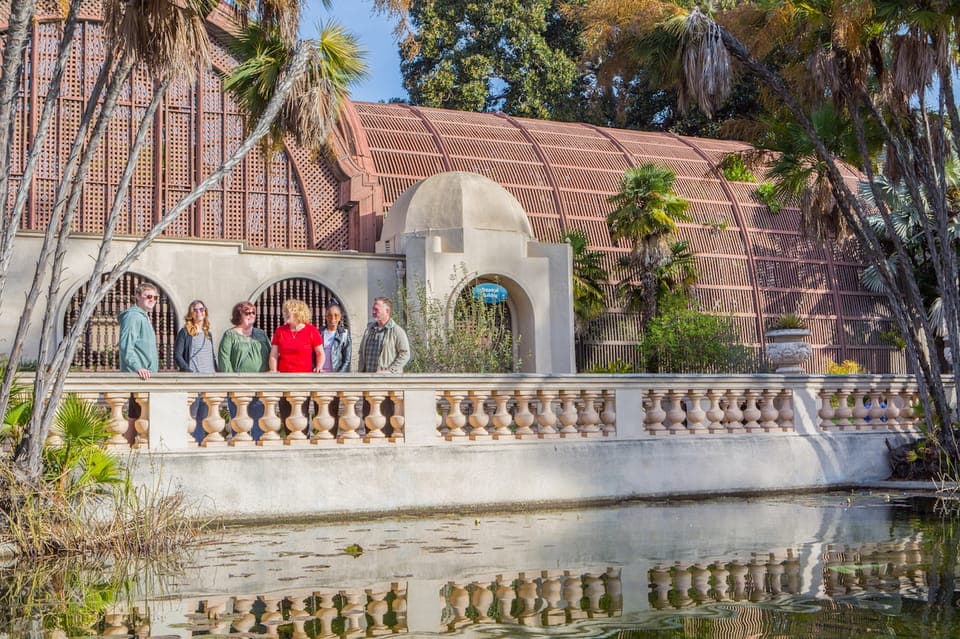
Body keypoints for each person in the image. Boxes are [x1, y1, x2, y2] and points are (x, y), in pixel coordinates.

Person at [269, 299, 324, 373]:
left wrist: (319, 367)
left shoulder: (312, 330)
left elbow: (320, 353)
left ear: (298, 313)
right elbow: (273, 355)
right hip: (284, 377)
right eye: (284, 312)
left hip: (305, 377)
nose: (284, 314)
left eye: (287, 312)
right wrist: (273, 370)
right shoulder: (280, 331)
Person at [358, 297, 410, 373]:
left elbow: (405, 354)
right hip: (367, 380)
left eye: (376, 309)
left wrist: (390, 370)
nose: (373, 312)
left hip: (387, 381)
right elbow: (361, 353)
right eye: (373, 309)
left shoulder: (397, 331)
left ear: (387, 311)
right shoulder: (369, 330)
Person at [118, 282, 159, 380]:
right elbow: (126, 345)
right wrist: (138, 368)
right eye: (149, 296)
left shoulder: (144, 317)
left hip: (146, 375)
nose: (152, 300)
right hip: (136, 376)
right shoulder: (132, 316)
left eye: (155, 297)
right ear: (137, 296)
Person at [218, 301, 271, 373]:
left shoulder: (261, 334)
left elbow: (271, 354)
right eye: (247, 313)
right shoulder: (230, 335)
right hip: (239, 381)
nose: (251, 315)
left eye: (253, 313)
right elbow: (224, 359)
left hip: (262, 381)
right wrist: (231, 379)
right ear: (239, 316)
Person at [174, 300, 217, 373]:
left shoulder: (208, 334)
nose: (199, 312)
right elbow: (177, 355)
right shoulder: (185, 332)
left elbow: (212, 357)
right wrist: (188, 371)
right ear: (191, 314)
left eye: (201, 309)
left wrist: (217, 372)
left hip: (210, 377)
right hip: (194, 378)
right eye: (195, 310)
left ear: (205, 311)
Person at [321, 304, 352, 372]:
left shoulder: (344, 334)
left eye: (336, 315)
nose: (333, 318)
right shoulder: (319, 333)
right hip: (320, 375)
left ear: (340, 317)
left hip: (336, 375)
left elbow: (347, 360)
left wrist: (339, 375)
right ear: (326, 316)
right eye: (330, 315)